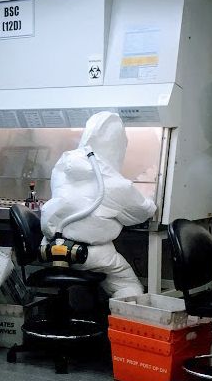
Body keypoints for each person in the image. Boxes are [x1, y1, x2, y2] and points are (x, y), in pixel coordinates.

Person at [41, 111, 156, 298]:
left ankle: (76, 316)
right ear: (118, 146)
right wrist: (149, 198)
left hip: (50, 248)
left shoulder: (63, 166)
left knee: (83, 280)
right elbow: (142, 213)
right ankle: (120, 324)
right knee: (127, 284)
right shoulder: (115, 184)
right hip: (86, 253)